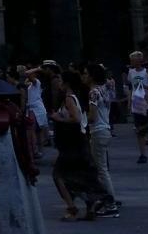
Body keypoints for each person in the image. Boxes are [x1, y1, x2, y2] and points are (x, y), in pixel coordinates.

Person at [50, 70, 107, 221]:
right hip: (78, 142)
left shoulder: (69, 99)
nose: (59, 84)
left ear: (67, 83)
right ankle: (90, 208)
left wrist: (58, 118)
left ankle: (72, 207)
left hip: (73, 143)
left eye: (61, 81)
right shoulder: (76, 97)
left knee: (58, 175)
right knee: (83, 174)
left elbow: (76, 118)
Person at [86, 64, 119, 216]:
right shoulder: (104, 90)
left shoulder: (93, 92)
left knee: (101, 170)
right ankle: (105, 199)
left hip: (98, 130)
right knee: (102, 169)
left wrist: (81, 117)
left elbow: (92, 116)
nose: (84, 76)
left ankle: (110, 204)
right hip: (105, 129)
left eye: (86, 73)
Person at [128, 50, 148, 163]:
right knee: (139, 129)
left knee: (147, 125)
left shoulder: (146, 73)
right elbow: (131, 87)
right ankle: (143, 153)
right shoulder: (131, 72)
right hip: (136, 102)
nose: (132, 62)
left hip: (145, 102)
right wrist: (129, 102)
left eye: (133, 60)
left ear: (139, 61)